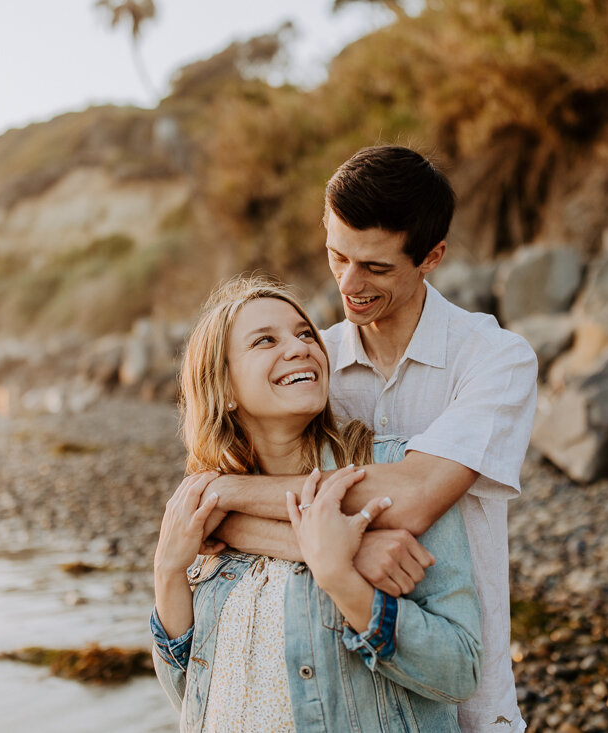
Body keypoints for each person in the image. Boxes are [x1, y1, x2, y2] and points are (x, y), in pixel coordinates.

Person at [206, 146, 539, 732]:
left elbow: (410, 498)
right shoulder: (310, 363)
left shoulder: (494, 360)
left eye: (376, 268)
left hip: (466, 697)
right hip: (343, 696)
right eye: (338, 256)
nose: (349, 285)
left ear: (431, 257)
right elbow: (206, 517)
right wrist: (342, 552)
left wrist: (231, 492)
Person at [151, 275, 482, 731]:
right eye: (265, 340)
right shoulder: (206, 512)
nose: (300, 347)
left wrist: (341, 580)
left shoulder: (388, 471)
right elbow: (192, 697)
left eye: (305, 333)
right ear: (223, 388)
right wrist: (168, 574)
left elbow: (460, 671)